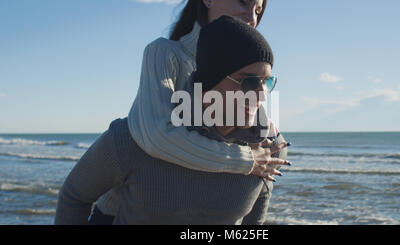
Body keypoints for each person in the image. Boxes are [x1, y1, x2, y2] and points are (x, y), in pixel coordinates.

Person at [55, 15, 288, 225]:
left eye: (267, 82)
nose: (262, 95)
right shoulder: (132, 138)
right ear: (208, 84)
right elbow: (74, 196)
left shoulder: (270, 150)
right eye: (248, 82)